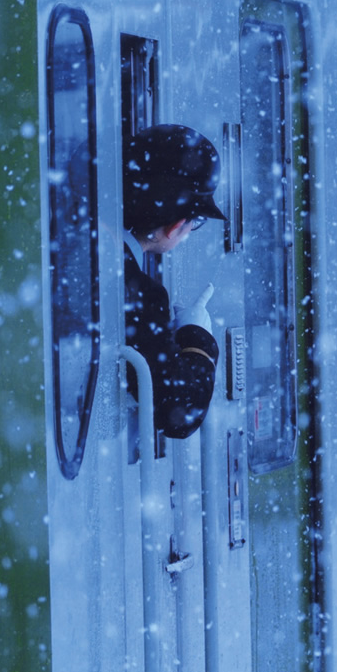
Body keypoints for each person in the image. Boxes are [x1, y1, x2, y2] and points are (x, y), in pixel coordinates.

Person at [122, 124, 226, 439]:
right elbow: (180, 412)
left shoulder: (80, 244)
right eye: (196, 222)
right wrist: (197, 336)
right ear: (176, 226)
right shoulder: (143, 294)